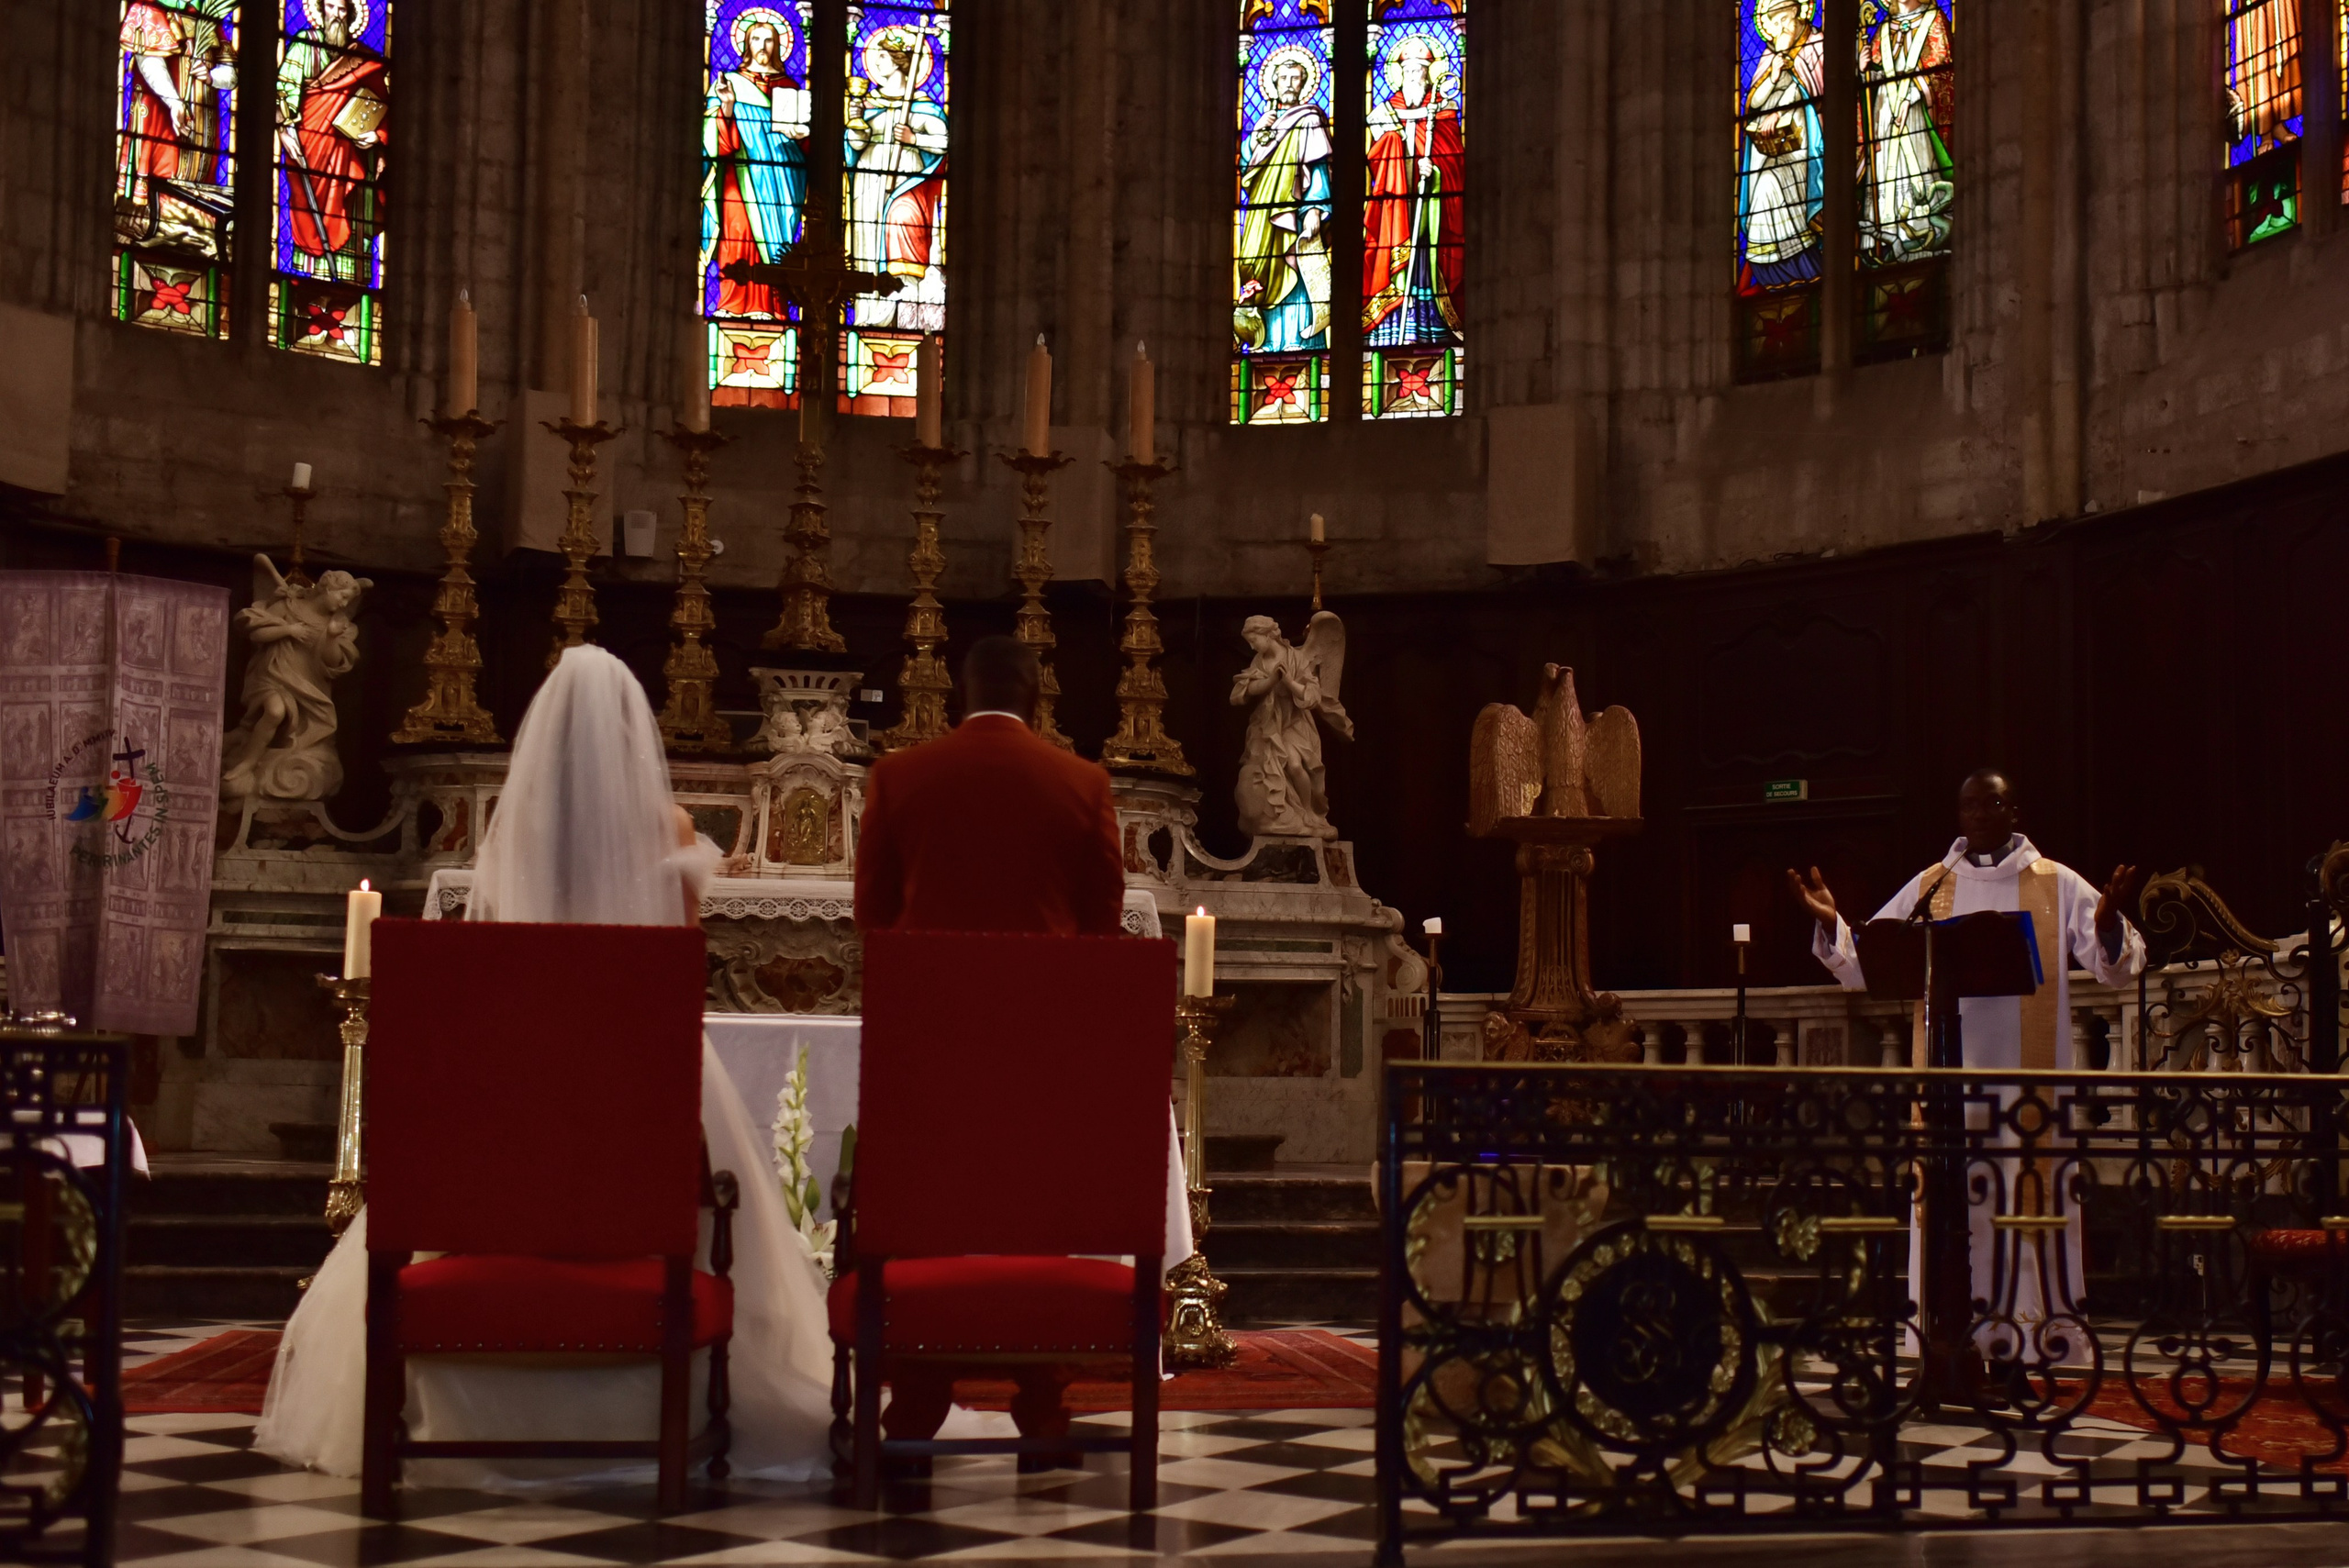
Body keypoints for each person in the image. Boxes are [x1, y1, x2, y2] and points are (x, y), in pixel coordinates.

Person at [255, 646, 833, 1487]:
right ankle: (672, 1400)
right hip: (637, 1057)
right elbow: (677, 956)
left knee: (499, 1187)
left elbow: (494, 949)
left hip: (520, 1061)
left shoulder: (507, 827)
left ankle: (462, 1399)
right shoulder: (668, 826)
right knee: (684, 1195)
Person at [853, 636, 1188, 1469]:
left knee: (935, 1206)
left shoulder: (899, 775)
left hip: (931, 1038)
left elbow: (872, 914)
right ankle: (1040, 1389)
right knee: (1032, 1209)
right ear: (1036, 698)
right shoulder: (1083, 782)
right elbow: (1103, 923)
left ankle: (922, 1385)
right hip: (1043, 1046)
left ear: (956, 696)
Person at [1787, 768, 2144, 1343]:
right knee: (1955, 1204)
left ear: (2013, 812)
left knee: (2023, 1199)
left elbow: (2120, 966)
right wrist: (1835, 924)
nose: (1979, 815)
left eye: (1991, 804)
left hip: (2027, 1089)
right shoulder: (1934, 883)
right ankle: (1947, 1341)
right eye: (1969, 806)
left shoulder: (2056, 882)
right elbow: (1869, 961)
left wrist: (2105, 928)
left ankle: (2029, 1345)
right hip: (1950, 1086)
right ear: (1959, 816)